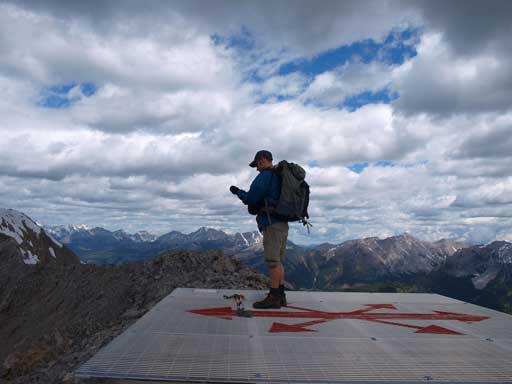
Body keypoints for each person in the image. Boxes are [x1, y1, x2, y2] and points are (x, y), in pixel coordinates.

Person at [230, 150, 288, 309]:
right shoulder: (279, 176)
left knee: (272, 263)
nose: (256, 168)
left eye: (257, 164)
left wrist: (238, 192)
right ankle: (280, 295)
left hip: (271, 224)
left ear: (262, 160)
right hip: (282, 223)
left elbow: (252, 198)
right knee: (279, 261)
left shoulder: (265, 176)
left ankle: (274, 297)